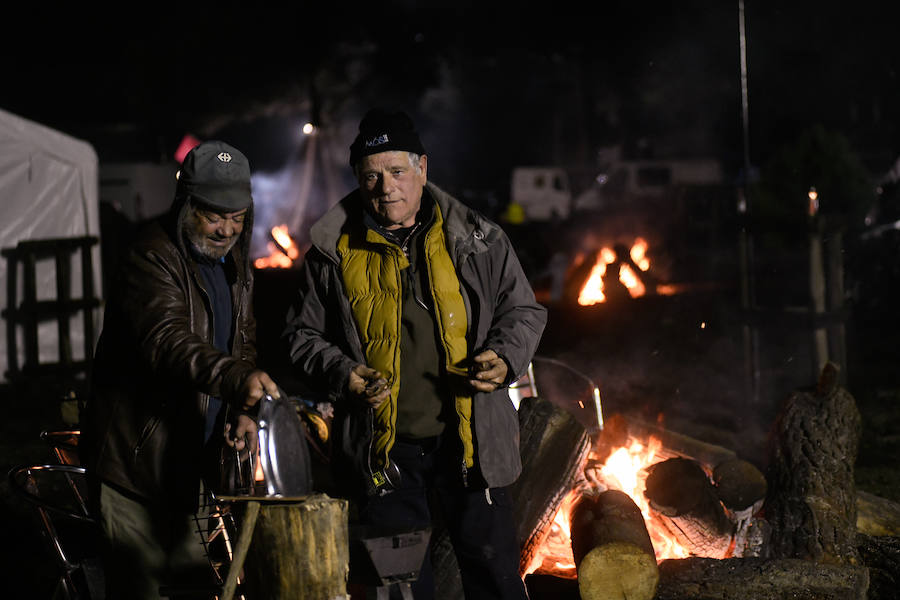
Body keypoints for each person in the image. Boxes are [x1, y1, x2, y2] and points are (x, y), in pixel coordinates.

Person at [284, 108, 547, 599]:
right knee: (401, 591)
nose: (386, 187)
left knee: (494, 580)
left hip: (469, 443)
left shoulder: (478, 238)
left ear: (422, 168)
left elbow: (525, 311)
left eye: (398, 172)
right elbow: (300, 338)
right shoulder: (332, 251)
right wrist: (343, 373)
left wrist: (505, 357)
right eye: (372, 176)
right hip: (383, 450)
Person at [83, 140, 281, 599]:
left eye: (237, 217)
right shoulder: (150, 258)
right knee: (141, 589)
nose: (226, 229)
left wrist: (243, 408)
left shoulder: (234, 264)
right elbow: (168, 341)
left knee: (195, 588)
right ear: (185, 203)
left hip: (193, 469)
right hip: (137, 469)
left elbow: (243, 341)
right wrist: (236, 378)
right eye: (214, 215)